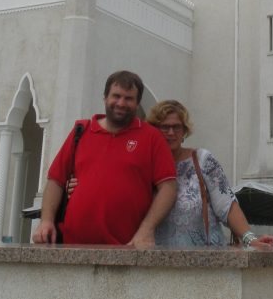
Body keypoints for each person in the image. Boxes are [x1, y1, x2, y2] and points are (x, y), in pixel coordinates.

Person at [72, 99, 273, 249]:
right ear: (153, 131)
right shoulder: (143, 165)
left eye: (176, 127)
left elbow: (227, 205)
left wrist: (250, 239)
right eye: (164, 127)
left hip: (204, 261)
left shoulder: (202, 160)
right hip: (155, 261)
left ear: (184, 130)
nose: (171, 133)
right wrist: (79, 186)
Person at [32, 70, 176, 247]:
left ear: (137, 103)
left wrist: (146, 229)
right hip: (73, 246)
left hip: (126, 248)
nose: (121, 103)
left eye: (129, 98)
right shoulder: (81, 130)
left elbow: (168, 188)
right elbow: (56, 180)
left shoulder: (151, 137)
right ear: (105, 98)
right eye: (116, 96)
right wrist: (46, 221)